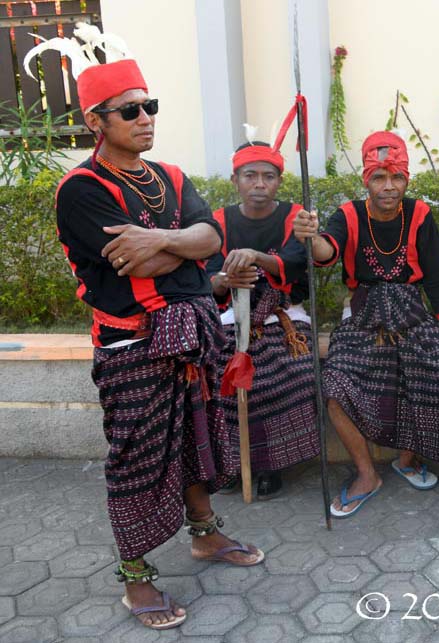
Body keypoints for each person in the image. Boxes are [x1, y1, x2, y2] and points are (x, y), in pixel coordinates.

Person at [44, 26, 262, 631]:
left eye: (151, 106)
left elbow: (212, 238)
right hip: (130, 341)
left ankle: (204, 535)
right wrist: (185, 249)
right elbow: (130, 261)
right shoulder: (81, 190)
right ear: (96, 121)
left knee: (198, 438)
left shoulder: (169, 175)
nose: (146, 118)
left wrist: (169, 243)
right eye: (130, 110)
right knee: (137, 457)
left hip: (191, 331)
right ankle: (136, 577)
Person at [293, 130, 439, 518]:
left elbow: (436, 275)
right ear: (366, 180)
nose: (389, 187)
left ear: (406, 179)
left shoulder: (420, 213)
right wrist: (312, 239)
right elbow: (328, 250)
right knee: (335, 384)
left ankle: (407, 459)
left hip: (412, 314)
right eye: (379, 178)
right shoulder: (349, 214)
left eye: (397, 178)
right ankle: (365, 473)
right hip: (362, 315)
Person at [207, 134, 320, 500]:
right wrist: (225, 280)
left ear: (279, 181)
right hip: (229, 316)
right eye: (250, 175)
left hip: (282, 315)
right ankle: (235, 464)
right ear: (234, 181)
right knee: (218, 379)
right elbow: (204, 278)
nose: (259, 184)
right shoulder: (217, 222)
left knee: (293, 376)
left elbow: (293, 264)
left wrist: (256, 256)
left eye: (268, 176)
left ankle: (272, 463)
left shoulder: (294, 216)